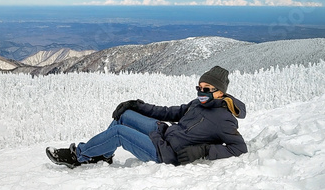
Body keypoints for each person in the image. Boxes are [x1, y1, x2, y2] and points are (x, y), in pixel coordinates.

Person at [46, 66, 248, 168]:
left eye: (206, 89)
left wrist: (202, 150)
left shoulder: (224, 119)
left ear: (220, 92)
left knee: (118, 133)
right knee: (124, 116)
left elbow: (239, 148)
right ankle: (101, 154)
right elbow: (169, 112)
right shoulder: (197, 103)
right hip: (163, 134)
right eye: (199, 87)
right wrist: (138, 105)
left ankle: (78, 156)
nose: (200, 91)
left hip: (165, 153)